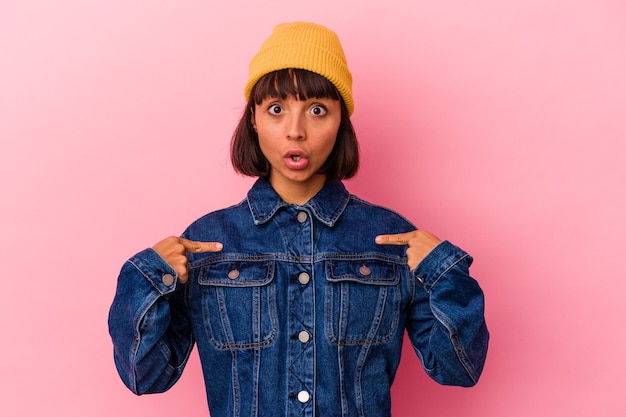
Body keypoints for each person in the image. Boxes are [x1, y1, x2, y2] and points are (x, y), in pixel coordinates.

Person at [108, 21, 489, 417]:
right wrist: (150, 276)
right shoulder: (207, 244)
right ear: (253, 118)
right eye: (276, 109)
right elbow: (144, 376)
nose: (295, 131)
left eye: (317, 110)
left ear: (341, 120)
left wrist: (443, 272)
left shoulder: (391, 241)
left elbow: (458, 368)